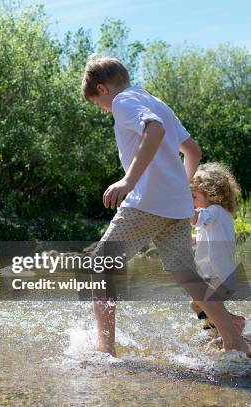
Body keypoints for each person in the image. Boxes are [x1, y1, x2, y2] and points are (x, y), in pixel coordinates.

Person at [81, 56, 250, 357]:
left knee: (100, 266)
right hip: (176, 206)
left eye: (98, 104)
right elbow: (193, 151)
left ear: (102, 89)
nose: (104, 110)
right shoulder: (156, 100)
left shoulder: (122, 102)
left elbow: (154, 129)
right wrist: (179, 190)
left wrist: (128, 181)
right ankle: (234, 338)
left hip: (147, 202)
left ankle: (104, 351)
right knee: (186, 275)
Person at [188, 162, 245, 334]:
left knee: (197, 303)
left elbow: (194, 218)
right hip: (221, 276)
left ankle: (234, 322)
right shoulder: (219, 216)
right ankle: (216, 334)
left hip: (217, 276)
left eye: (193, 196)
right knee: (203, 306)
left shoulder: (213, 211)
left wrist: (177, 203)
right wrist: (189, 239)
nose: (191, 202)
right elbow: (205, 238)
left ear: (211, 194)